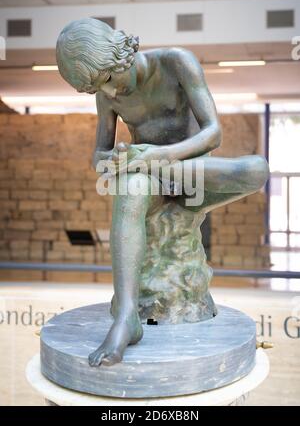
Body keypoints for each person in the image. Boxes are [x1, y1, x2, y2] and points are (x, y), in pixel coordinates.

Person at [56, 18, 269, 367]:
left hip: (191, 176)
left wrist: (157, 157)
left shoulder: (176, 62)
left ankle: (148, 169)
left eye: (108, 79)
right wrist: (116, 158)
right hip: (149, 182)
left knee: (256, 168)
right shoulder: (107, 98)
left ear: (121, 53)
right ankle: (127, 317)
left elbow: (213, 133)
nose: (109, 93)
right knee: (133, 187)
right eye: (98, 89)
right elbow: (99, 155)